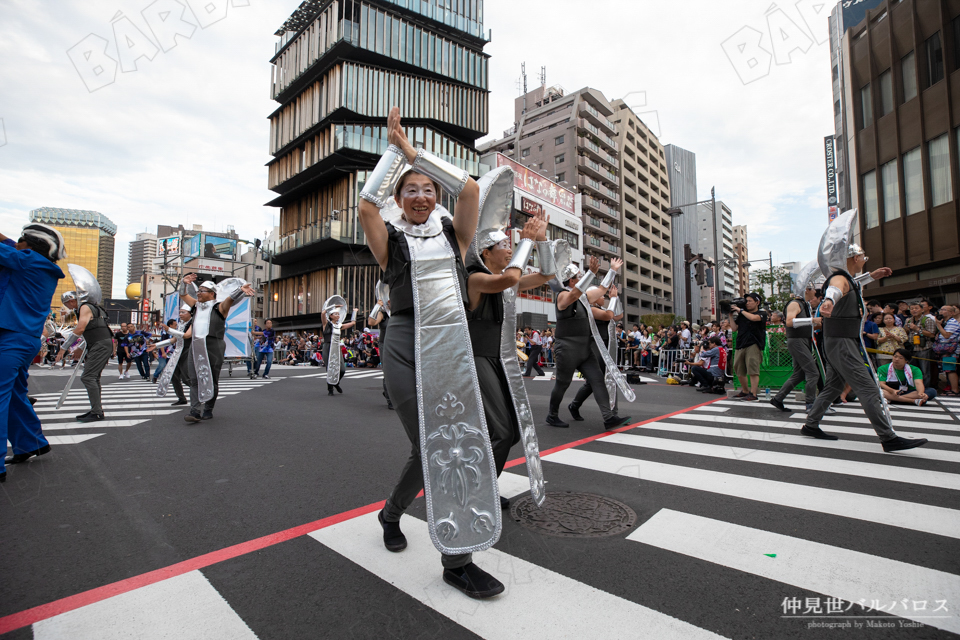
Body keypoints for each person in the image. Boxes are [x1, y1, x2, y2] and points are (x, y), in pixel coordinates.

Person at [358, 106, 504, 599]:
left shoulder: (454, 234)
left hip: (450, 345)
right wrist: (392, 156)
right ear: (399, 198)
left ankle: (455, 560)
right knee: (429, 444)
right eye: (410, 189)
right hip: (402, 344)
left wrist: (415, 154)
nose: (420, 196)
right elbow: (364, 207)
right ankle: (394, 513)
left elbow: (469, 189)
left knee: (454, 442)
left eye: (427, 189)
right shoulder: (391, 241)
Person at [802, 211, 927, 452]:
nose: (864, 259)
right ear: (854, 257)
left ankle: (810, 424)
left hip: (840, 341)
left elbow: (852, 284)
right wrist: (828, 301)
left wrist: (873, 275)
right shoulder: (839, 278)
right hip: (841, 342)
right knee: (869, 388)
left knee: (834, 387)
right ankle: (888, 437)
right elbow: (838, 288)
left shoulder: (850, 278)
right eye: (863, 256)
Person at [466, 211, 553, 510]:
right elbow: (511, 278)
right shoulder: (476, 279)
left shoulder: (507, 281)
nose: (508, 248)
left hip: (500, 361)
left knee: (512, 432)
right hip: (476, 361)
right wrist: (526, 240)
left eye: (510, 244)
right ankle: (478, 491)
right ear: (486, 254)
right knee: (501, 432)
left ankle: (482, 485)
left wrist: (540, 242)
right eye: (503, 245)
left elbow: (546, 276)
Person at [1, 224, 67, 483]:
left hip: (10, 338)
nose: (15, 244)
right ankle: (30, 443)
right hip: (24, 339)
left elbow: (7, 250)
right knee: (15, 395)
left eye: (21, 241)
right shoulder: (40, 265)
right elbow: (8, 244)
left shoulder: (27, 261)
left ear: (30, 246)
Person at [546, 256, 631, 429]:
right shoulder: (562, 296)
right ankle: (552, 415)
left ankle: (608, 418)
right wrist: (592, 272)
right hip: (567, 348)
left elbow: (601, 289)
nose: (581, 279)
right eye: (578, 276)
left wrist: (612, 270)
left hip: (585, 349)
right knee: (563, 383)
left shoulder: (583, 299)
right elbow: (574, 294)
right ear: (571, 280)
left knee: (598, 380)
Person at [179, 275, 255, 422]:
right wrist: (184, 283)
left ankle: (208, 409)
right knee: (194, 379)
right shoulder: (195, 306)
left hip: (214, 345)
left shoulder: (219, 307)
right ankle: (194, 411)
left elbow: (229, 300)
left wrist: (240, 290)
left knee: (211, 379)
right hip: (196, 345)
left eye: (203, 290)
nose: (199, 293)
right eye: (199, 290)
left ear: (212, 293)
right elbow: (183, 295)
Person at [567, 285, 628, 421]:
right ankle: (612, 414)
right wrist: (613, 298)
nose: (603, 298)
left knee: (595, 382)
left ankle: (575, 406)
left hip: (606, 348)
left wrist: (616, 298)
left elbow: (619, 316)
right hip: (596, 348)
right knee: (603, 380)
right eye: (601, 296)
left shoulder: (602, 309)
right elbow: (608, 316)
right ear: (593, 299)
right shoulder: (590, 309)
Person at [57, 282, 113, 423]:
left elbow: (80, 328)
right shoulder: (92, 307)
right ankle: (96, 410)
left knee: (88, 377)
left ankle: (97, 412)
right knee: (94, 378)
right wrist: (81, 347)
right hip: (99, 343)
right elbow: (94, 329)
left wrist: (64, 347)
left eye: (67, 304)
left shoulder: (85, 307)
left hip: (100, 344)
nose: (68, 308)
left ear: (70, 301)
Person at [771, 270, 824, 413]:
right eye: (814, 289)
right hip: (797, 340)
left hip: (802, 340)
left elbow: (804, 324)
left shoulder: (803, 304)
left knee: (799, 374)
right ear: (807, 289)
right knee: (813, 373)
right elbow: (789, 322)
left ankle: (778, 398)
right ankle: (810, 404)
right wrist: (812, 320)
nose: (816, 292)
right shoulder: (795, 303)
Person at [729, 292, 767, 402]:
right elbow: (734, 328)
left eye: (750, 301)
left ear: (757, 302)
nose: (747, 303)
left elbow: (754, 318)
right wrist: (731, 316)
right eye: (747, 301)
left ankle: (753, 393)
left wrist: (740, 310)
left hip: (754, 343)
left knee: (753, 369)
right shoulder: (742, 315)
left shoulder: (762, 313)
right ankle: (745, 390)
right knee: (738, 368)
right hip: (741, 343)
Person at [320, 304, 357, 395]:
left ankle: (336, 383)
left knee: (342, 369)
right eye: (335, 314)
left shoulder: (339, 325)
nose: (338, 315)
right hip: (328, 346)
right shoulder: (326, 324)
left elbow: (352, 323)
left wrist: (354, 312)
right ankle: (330, 389)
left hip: (336, 347)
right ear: (331, 316)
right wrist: (334, 305)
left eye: (338, 314)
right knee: (330, 368)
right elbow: (323, 312)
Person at [905, 301, 937, 391]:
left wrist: (917, 329)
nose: (914, 310)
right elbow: (905, 332)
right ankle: (913, 388)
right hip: (912, 348)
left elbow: (931, 334)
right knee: (912, 370)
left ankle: (925, 389)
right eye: (911, 308)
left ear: (922, 310)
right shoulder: (908, 320)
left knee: (925, 371)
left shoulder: (927, 320)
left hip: (924, 348)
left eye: (916, 308)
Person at [368, 297, 392, 409]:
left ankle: (391, 394)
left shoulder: (399, 313)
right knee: (388, 372)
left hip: (398, 344)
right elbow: (371, 322)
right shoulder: (383, 314)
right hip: (385, 344)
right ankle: (390, 399)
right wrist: (377, 306)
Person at [934, 304, 960, 396]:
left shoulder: (952, 322)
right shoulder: (945, 322)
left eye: (944, 310)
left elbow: (946, 335)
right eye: (941, 309)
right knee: (948, 370)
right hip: (946, 350)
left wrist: (938, 325)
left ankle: (955, 390)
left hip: (951, 350)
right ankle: (953, 389)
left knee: (951, 370)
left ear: (952, 313)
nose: (941, 311)